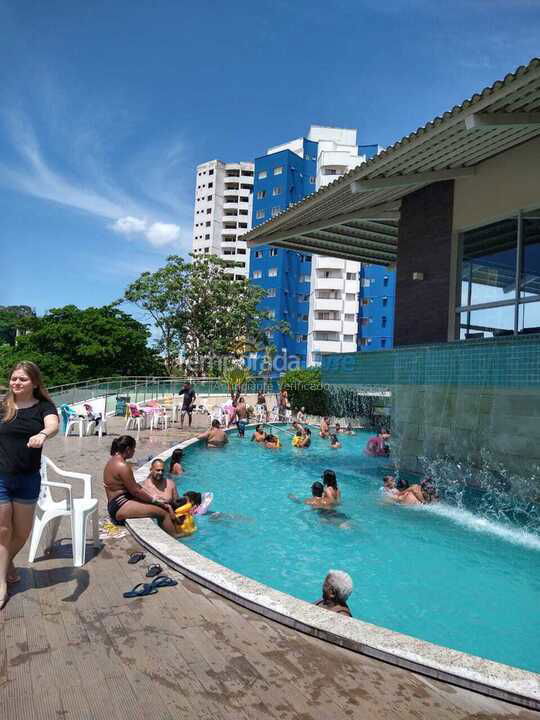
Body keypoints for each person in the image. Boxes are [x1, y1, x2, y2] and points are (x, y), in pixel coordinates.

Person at [0, 361, 59, 608]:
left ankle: (7, 561)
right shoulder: (3, 405)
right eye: (14, 378)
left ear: (34, 383)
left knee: (22, 532)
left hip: (28, 478)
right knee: (3, 530)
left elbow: (53, 425)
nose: (16, 383)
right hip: (1, 477)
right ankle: (1, 581)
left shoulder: (43, 406)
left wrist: (43, 435)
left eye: (22, 379)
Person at [103, 436, 177, 536]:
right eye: (134, 449)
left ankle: (168, 532)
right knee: (163, 512)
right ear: (128, 449)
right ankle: (175, 539)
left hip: (116, 502)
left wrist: (154, 497)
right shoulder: (123, 466)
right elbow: (136, 491)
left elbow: (134, 487)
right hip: (119, 505)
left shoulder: (112, 461)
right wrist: (156, 502)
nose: (134, 451)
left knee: (159, 503)